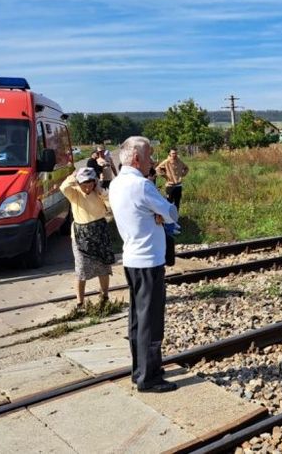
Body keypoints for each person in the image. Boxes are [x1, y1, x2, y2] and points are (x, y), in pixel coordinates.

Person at [110, 136, 179, 393]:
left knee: (137, 319)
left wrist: (154, 214)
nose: (152, 160)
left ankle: (139, 369)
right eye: (149, 155)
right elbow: (172, 212)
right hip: (149, 259)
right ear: (137, 158)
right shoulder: (141, 185)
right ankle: (148, 378)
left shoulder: (117, 183)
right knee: (151, 320)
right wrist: (161, 213)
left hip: (131, 258)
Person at [60, 167, 115, 308]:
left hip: (99, 231)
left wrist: (101, 192)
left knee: (103, 266)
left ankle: (105, 296)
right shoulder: (75, 194)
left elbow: (111, 205)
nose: (87, 187)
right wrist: (73, 176)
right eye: (84, 184)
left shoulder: (99, 193)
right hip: (81, 234)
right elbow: (63, 187)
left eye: (90, 183)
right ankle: (80, 301)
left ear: (95, 182)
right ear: (79, 183)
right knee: (81, 268)